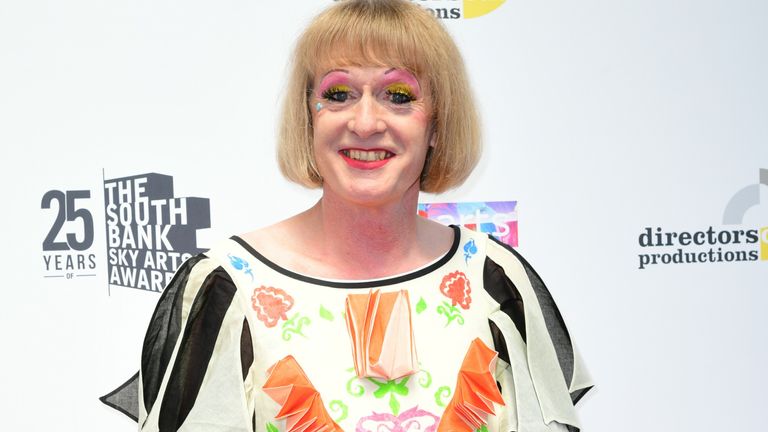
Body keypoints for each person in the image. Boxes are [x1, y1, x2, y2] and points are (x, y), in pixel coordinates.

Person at [136, 1, 592, 431]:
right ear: (308, 118)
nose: (367, 122)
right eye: (339, 94)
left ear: (437, 124)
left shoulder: (496, 279)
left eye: (398, 96)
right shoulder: (228, 286)